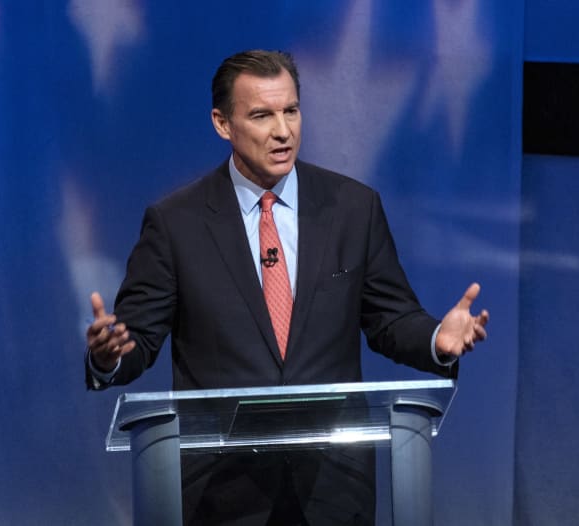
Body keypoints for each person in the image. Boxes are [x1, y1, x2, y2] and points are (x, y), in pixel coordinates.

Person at [85, 50, 488, 525]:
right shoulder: (176, 224)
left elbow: (390, 319)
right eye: (262, 115)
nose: (283, 131)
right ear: (222, 123)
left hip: (334, 488)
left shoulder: (352, 208)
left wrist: (436, 339)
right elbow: (138, 340)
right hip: (222, 492)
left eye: (291, 111)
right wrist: (109, 357)